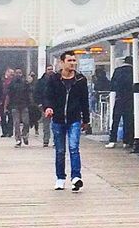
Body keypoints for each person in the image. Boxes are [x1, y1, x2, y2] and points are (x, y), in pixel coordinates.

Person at [43, 50, 90, 191]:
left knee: (74, 148)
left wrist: (86, 119)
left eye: (74, 60)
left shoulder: (80, 80)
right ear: (62, 62)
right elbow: (47, 96)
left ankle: (76, 177)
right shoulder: (54, 79)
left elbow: (84, 100)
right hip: (57, 119)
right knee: (60, 150)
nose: (72, 63)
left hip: (74, 118)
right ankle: (60, 178)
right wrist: (48, 107)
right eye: (69, 61)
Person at [106, 55, 134, 149]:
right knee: (128, 120)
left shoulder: (117, 71)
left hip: (119, 97)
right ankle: (127, 141)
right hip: (130, 98)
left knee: (116, 119)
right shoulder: (134, 71)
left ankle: (112, 140)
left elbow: (112, 85)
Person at [7, 69, 32, 146]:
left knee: (26, 122)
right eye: (17, 73)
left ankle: (24, 134)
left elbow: (29, 94)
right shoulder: (12, 84)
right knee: (16, 123)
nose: (18, 74)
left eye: (20, 73)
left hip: (24, 105)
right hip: (15, 105)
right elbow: (9, 95)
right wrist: (7, 106)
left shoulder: (25, 83)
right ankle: (18, 139)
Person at [35, 63, 57, 145]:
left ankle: (56, 140)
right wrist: (39, 103)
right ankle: (46, 139)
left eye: (51, 69)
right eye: (49, 69)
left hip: (56, 105)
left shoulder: (57, 80)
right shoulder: (41, 82)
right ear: (45, 70)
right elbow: (36, 93)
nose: (50, 71)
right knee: (46, 123)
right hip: (44, 105)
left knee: (56, 124)